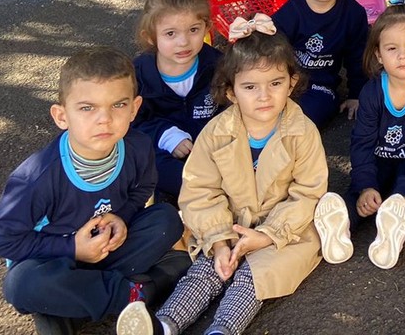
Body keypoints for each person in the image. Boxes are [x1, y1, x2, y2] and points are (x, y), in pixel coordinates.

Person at [116, 32, 326, 335]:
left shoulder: (303, 132)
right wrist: (218, 238)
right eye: (250, 87)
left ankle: (222, 330)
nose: (264, 96)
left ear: (291, 84)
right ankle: (163, 325)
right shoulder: (215, 132)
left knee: (254, 278)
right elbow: (200, 189)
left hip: (284, 230)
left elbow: (308, 193)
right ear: (231, 92)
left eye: (275, 83)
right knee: (207, 269)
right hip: (227, 222)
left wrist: (266, 235)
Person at [0, 48, 184, 335]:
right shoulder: (37, 177)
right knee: (21, 285)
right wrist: (73, 248)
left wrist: (122, 217)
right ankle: (134, 293)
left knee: (166, 219)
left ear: (134, 108)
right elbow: (3, 241)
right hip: (54, 262)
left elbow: (143, 188)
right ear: (61, 116)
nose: (104, 119)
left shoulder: (138, 146)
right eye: (87, 108)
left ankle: (72, 308)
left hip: (109, 248)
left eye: (118, 105)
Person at [312, 0, 405, 270]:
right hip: (379, 156)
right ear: (378, 54)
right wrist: (365, 185)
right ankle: (341, 224)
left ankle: (392, 235)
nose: (402, 56)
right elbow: (362, 141)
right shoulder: (372, 92)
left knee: (403, 200)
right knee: (361, 197)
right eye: (392, 48)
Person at [132, 0, 223, 202]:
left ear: (207, 28)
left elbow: (231, 109)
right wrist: (165, 134)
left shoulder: (219, 66)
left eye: (193, 30)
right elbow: (130, 122)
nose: (183, 42)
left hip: (211, 149)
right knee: (145, 161)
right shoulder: (137, 75)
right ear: (151, 37)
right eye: (170, 33)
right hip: (163, 153)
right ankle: (199, 194)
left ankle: (208, 194)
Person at [270, 0, 368, 127]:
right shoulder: (289, 14)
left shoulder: (354, 14)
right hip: (285, 81)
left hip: (320, 85)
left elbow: (357, 58)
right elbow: (269, 53)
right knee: (262, 109)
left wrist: (357, 94)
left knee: (311, 113)